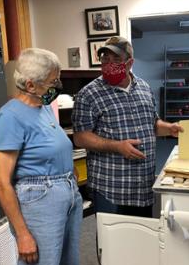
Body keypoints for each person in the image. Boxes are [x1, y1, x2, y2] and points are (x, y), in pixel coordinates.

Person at [0, 48, 83, 265]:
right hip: (39, 200)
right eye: (53, 81)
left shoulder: (43, 107)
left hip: (66, 194)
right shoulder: (10, 116)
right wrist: (22, 234)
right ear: (31, 83)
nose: (58, 86)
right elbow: (1, 181)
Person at [72, 36, 183, 218]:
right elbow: (80, 137)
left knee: (140, 239)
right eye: (105, 59)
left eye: (116, 60)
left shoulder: (144, 87)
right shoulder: (88, 94)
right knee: (112, 244)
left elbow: (152, 123)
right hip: (111, 188)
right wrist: (117, 146)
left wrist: (168, 128)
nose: (109, 64)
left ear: (129, 63)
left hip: (142, 186)